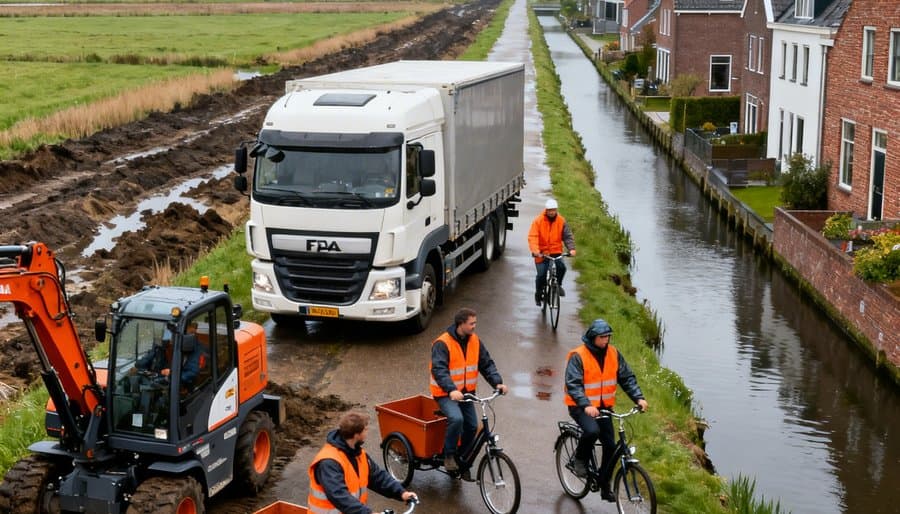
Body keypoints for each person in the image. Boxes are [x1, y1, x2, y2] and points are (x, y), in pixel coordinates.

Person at [564, 319, 649, 502]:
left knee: (610, 446)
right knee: (592, 431)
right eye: (602, 337)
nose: (606, 341)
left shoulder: (613, 354)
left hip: (604, 408)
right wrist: (586, 405)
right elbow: (574, 384)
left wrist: (639, 398)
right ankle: (579, 460)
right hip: (580, 406)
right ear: (593, 337)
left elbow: (627, 378)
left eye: (608, 337)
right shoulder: (578, 356)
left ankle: (604, 484)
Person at [430, 308, 508, 479]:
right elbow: (439, 370)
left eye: (475, 323)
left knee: (472, 426)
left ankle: (461, 458)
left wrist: (498, 382)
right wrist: (451, 390)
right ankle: (449, 455)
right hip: (445, 393)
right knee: (457, 419)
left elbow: (486, 364)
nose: (474, 326)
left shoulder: (475, 341)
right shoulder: (442, 343)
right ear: (461, 324)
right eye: (471, 323)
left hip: (466, 393)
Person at [308, 412, 417, 514]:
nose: (367, 432)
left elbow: (378, 477)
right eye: (365, 430)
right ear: (356, 435)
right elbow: (339, 496)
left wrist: (402, 493)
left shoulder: (358, 454)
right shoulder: (329, 462)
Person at [528, 198, 576, 306]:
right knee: (541, 275)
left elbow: (567, 236)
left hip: (556, 252)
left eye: (554, 210)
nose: (552, 212)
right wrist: (535, 251)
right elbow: (533, 237)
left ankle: (558, 285)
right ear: (546, 210)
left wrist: (571, 249)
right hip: (542, 253)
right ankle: (539, 294)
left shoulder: (561, 221)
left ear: (556, 210)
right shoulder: (538, 221)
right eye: (550, 210)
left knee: (562, 268)